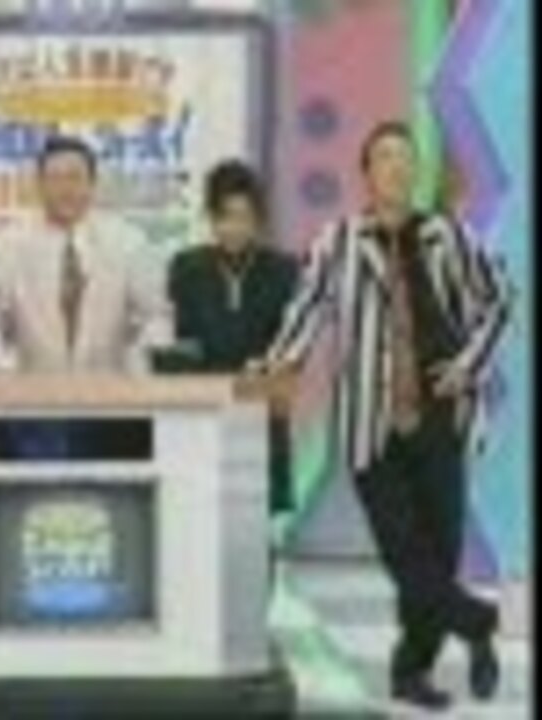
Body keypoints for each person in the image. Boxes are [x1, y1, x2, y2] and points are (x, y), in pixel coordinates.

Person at [250, 121, 510, 710]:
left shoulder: (449, 236)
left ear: (415, 169)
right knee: (404, 554)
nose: (396, 166)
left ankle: (411, 672)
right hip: (371, 425)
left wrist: (469, 366)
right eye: (384, 157)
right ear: (366, 173)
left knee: (438, 554)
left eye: (405, 157)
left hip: (442, 416)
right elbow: (307, 309)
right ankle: (478, 623)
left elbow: (499, 300)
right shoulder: (338, 240)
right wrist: (274, 363)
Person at [0, 134, 172, 373]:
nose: (66, 189)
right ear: (39, 186)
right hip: (28, 389)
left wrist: (137, 369)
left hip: (113, 388)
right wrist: (5, 375)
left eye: (75, 178)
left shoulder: (128, 243)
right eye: (55, 179)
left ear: (92, 184)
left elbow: (156, 317)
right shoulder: (5, 247)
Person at [168, 159, 298, 514]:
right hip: (203, 415)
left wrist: (271, 370)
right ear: (211, 218)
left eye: (244, 217)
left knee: (258, 519)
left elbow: (291, 345)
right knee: (200, 514)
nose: (234, 228)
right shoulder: (186, 268)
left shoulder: (283, 270)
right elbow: (180, 343)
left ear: (258, 219)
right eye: (225, 216)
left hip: (261, 412)